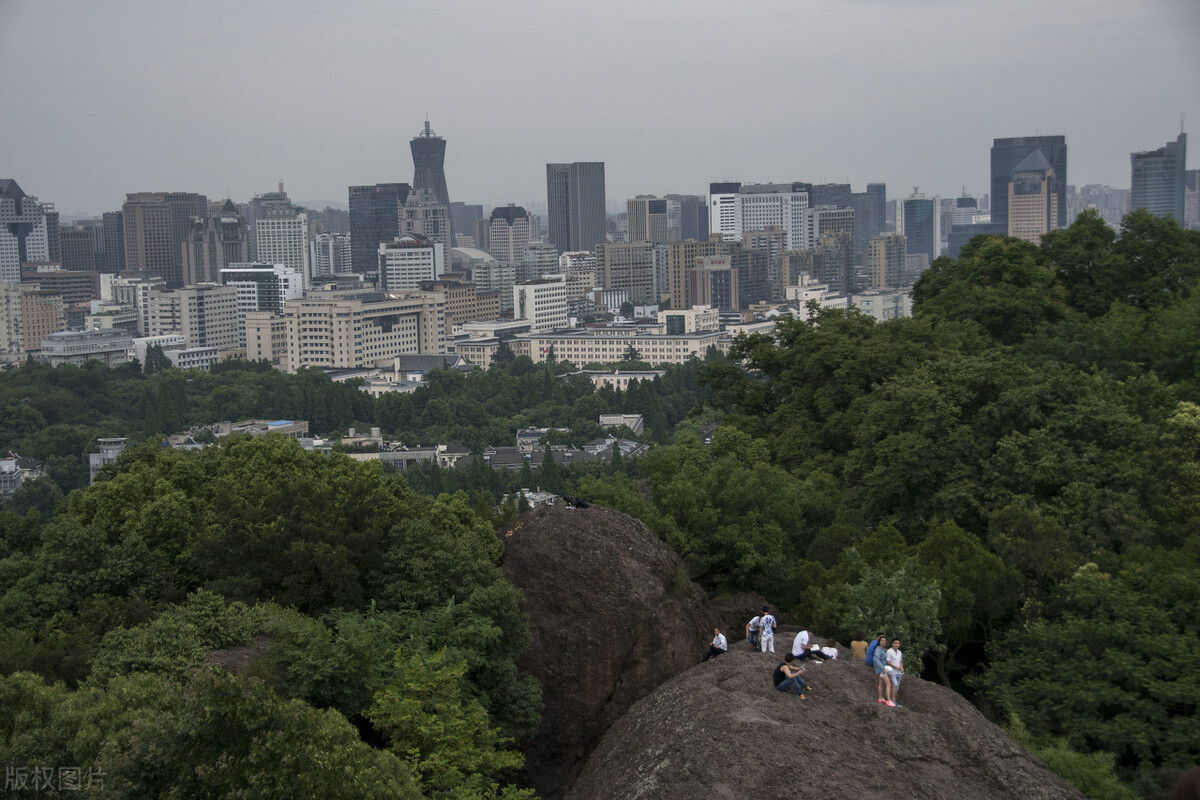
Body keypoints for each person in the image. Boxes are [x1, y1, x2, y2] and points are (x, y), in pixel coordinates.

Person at [873, 636, 894, 707]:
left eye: (885, 641)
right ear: (879, 642)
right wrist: (882, 668)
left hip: (881, 669)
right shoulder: (878, 649)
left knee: (881, 683)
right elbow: (876, 659)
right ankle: (889, 700)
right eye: (882, 640)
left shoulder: (880, 649)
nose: (883, 642)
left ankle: (880, 698)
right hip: (881, 669)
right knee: (888, 684)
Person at [885, 638, 905, 703]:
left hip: (899, 672)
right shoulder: (889, 651)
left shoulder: (899, 652)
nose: (897, 644)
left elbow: (900, 661)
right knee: (895, 684)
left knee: (897, 687)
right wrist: (896, 667)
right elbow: (888, 661)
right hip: (892, 671)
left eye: (898, 643)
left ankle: (894, 700)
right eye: (895, 643)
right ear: (892, 644)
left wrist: (901, 667)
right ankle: (892, 700)